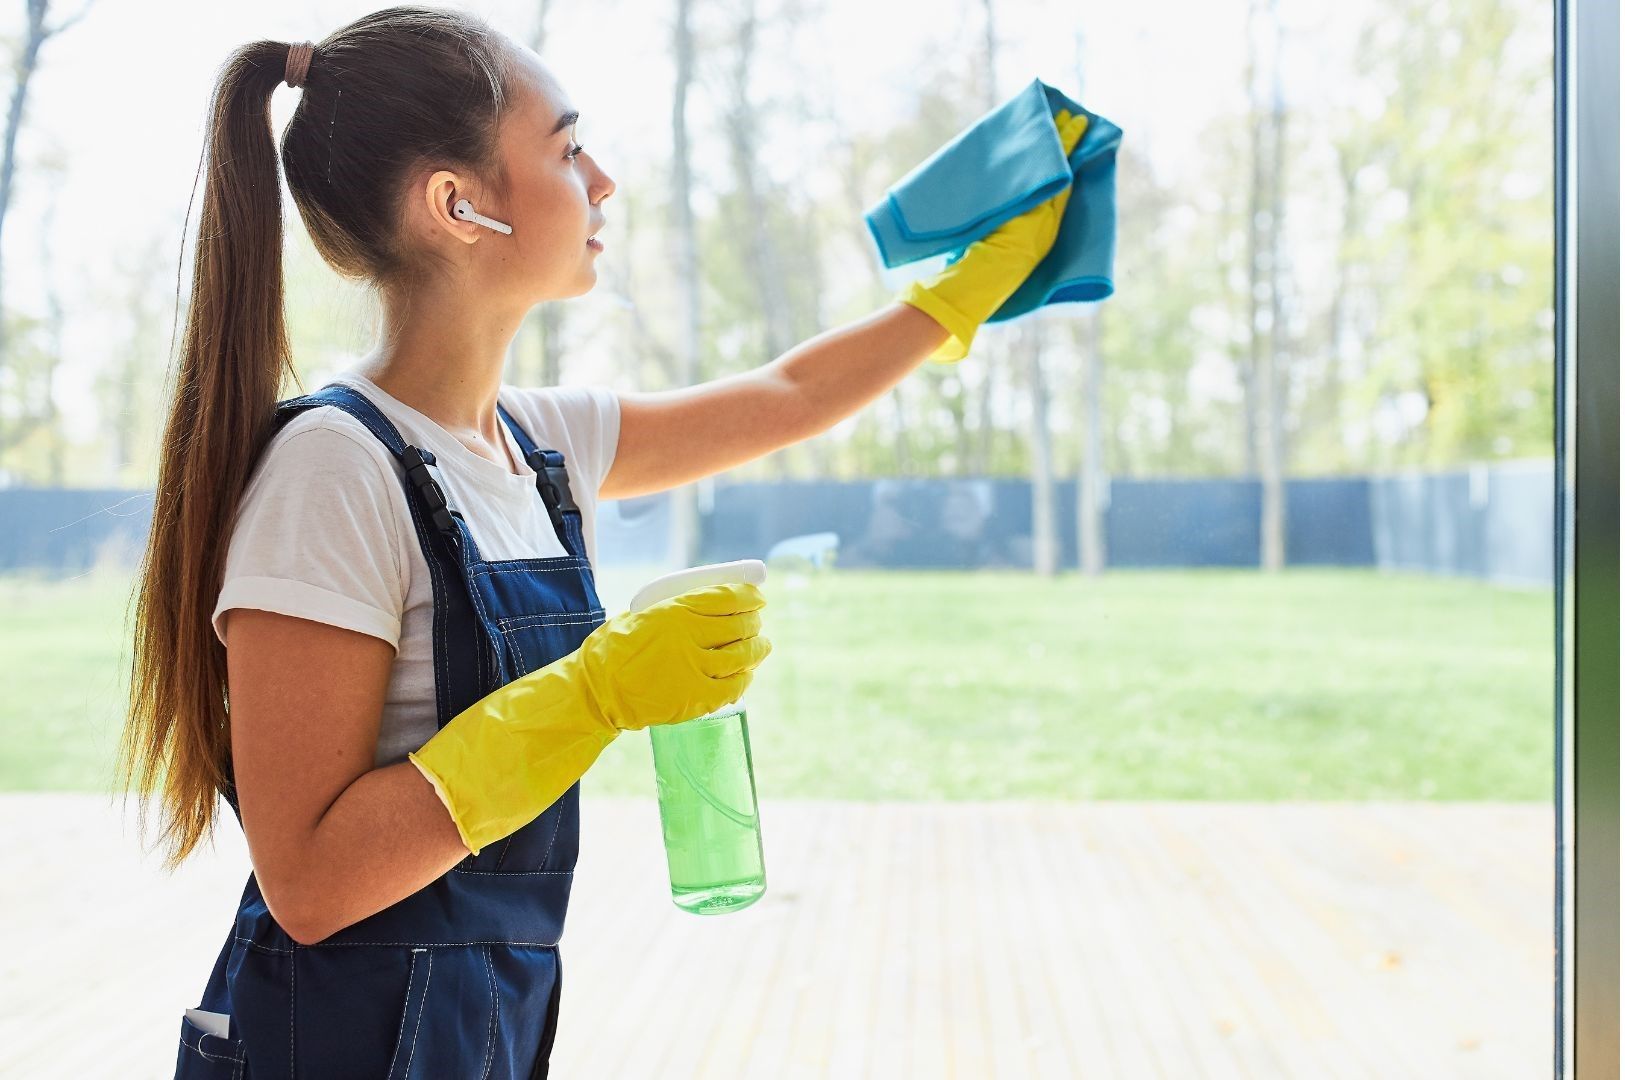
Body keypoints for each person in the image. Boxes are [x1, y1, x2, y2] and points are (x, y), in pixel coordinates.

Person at [116, 6, 1086, 1077]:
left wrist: (959, 294)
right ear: (458, 204)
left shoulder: (536, 445)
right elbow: (308, 882)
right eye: (568, 149)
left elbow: (787, 393)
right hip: (338, 1035)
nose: (604, 181)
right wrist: (592, 695)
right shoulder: (334, 471)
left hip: (490, 1017)